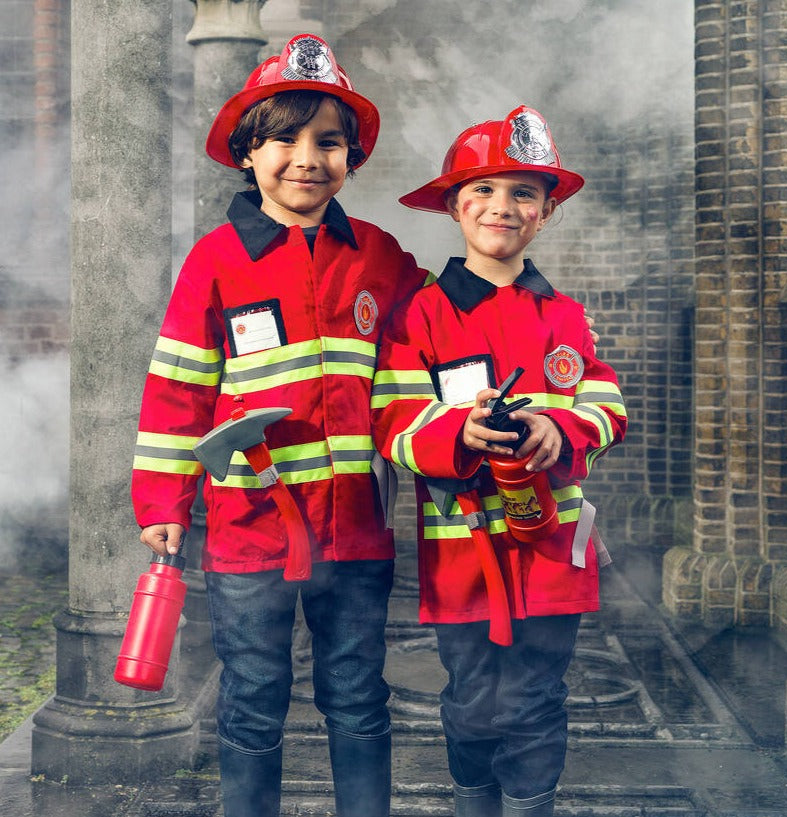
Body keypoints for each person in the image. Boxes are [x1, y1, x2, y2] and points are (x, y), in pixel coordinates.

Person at [131, 33, 427, 817]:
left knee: (359, 691)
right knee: (256, 693)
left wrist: (518, 324)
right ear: (247, 153)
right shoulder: (215, 262)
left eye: (328, 141)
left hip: (356, 526)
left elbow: (441, 331)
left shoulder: (380, 257)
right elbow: (176, 394)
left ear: (351, 156)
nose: (307, 157)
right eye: (284, 138)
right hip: (249, 526)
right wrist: (164, 505)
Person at [370, 105, 627, 817]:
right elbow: (392, 421)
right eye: (482, 190)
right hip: (462, 554)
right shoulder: (417, 316)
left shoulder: (565, 317)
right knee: (473, 696)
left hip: (552, 550)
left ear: (544, 214)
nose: (501, 206)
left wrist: (560, 425)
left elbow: (607, 405)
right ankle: (473, 802)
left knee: (537, 695)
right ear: (453, 206)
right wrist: (459, 433)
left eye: (522, 193)